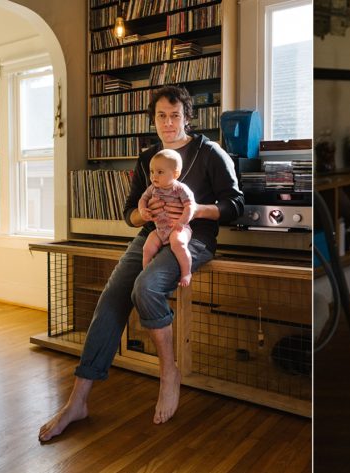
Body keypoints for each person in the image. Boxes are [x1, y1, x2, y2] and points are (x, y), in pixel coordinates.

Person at [39, 85, 243, 441]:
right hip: (150, 235)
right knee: (111, 299)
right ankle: (78, 401)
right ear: (153, 119)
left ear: (188, 117)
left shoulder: (210, 152)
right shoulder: (149, 156)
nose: (168, 122)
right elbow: (129, 213)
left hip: (193, 238)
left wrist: (197, 210)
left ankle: (169, 372)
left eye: (175, 115)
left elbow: (236, 205)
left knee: (145, 287)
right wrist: (141, 214)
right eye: (161, 116)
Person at [139, 149, 198, 287]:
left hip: (179, 227)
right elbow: (143, 199)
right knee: (147, 248)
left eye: (160, 172)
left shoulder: (180, 189)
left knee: (178, 243)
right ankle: (145, 271)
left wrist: (182, 222)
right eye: (152, 171)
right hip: (160, 230)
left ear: (175, 174)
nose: (154, 176)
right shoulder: (152, 188)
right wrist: (142, 210)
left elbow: (190, 206)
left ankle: (186, 272)